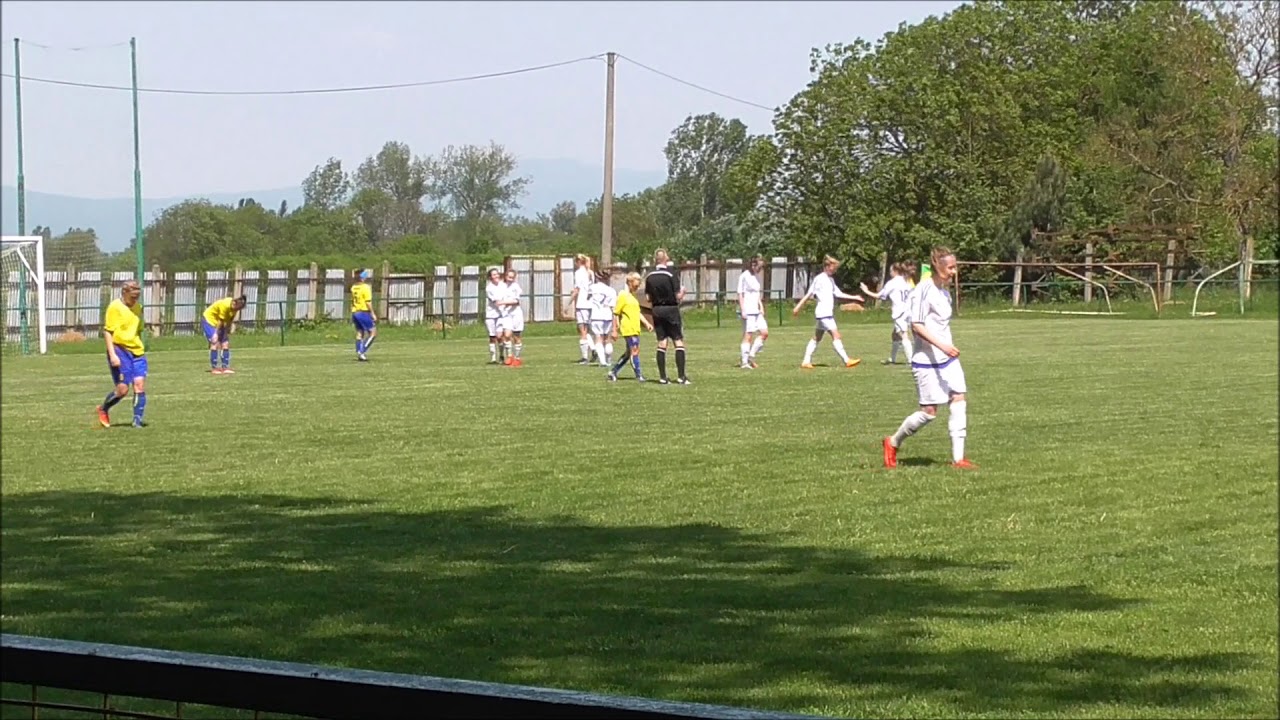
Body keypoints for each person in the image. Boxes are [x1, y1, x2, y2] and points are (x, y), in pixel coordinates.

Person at [883, 246, 975, 470]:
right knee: (929, 413)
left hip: (948, 359)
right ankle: (893, 442)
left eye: (955, 267)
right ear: (937, 266)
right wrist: (943, 345)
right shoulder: (923, 290)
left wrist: (947, 347)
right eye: (950, 267)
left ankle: (958, 459)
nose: (954, 272)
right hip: (926, 361)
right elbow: (916, 326)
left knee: (958, 399)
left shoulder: (945, 292)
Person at [791, 255, 864, 369]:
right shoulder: (819, 278)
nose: (835, 270)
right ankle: (847, 360)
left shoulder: (831, 280)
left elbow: (838, 293)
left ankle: (806, 361)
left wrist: (854, 297)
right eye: (833, 268)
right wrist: (798, 307)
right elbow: (809, 293)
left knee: (817, 337)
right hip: (823, 313)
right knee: (836, 335)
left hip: (826, 314)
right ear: (827, 267)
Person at [96, 280, 149, 429]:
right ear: (124, 293)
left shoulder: (138, 308)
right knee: (123, 390)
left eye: (137, 297)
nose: (135, 300)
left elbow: (138, 330)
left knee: (139, 385)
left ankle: (137, 421)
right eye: (132, 297)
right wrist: (112, 354)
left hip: (137, 351)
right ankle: (103, 409)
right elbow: (108, 332)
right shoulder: (115, 307)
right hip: (119, 350)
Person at [643, 249, 690, 385]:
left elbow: (648, 298)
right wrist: (683, 292)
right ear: (665, 259)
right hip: (671, 309)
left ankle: (663, 377)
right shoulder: (671, 274)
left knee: (662, 342)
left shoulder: (649, 276)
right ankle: (681, 376)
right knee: (678, 341)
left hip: (657, 310)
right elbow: (677, 295)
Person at [860, 261, 916, 365]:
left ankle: (911, 361)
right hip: (909, 311)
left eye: (890, 271)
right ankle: (892, 359)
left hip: (899, 312)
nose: (890, 273)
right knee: (895, 335)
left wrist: (866, 291)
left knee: (904, 335)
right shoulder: (908, 280)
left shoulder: (892, 283)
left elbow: (880, 296)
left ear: (895, 271)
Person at [607, 272, 653, 382]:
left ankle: (613, 372)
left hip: (635, 328)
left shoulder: (633, 297)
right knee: (634, 350)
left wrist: (646, 323)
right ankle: (639, 375)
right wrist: (614, 330)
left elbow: (638, 313)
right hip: (628, 328)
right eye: (636, 285)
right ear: (629, 282)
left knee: (629, 353)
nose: (637, 287)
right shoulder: (623, 295)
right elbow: (616, 313)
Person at [201, 294, 247, 374]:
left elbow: (229, 320)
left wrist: (226, 332)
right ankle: (214, 368)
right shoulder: (225, 305)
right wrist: (215, 333)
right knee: (214, 342)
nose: (237, 310)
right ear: (234, 303)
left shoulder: (235, 308)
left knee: (225, 343)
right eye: (237, 308)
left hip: (219, 323)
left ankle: (225, 367)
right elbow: (221, 320)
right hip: (209, 321)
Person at [737, 255, 769, 369]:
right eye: (759, 267)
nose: (760, 269)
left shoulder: (756, 277)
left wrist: (761, 306)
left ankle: (751, 355)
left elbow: (757, 293)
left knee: (764, 333)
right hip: (748, 310)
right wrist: (743, 310)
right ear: (753, 265)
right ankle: (744, 362)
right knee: (748, 335)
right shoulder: (744, 276)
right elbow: (740, 294)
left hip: (756, 310)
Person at [566, 254, 595, 364]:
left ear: (578, 262)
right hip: (590, 303)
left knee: (582, 330)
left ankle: (585, 357)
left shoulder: (579, 273)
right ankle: (594, 349)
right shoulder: (590, 272)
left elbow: (577, 289)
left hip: (582, 303)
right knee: (586, 330)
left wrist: (568, 303)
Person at [588, 270, 618, 367]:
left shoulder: (592, 288)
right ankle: (608, 360)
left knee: (598, 338)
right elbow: (613, 308)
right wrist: (615, 326)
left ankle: (602, 361)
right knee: (607, 339)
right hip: (607, 316)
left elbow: (587, 299)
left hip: (596, 316)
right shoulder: (611, 290)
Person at [499, 268, 526, 367]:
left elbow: (516, 301)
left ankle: (517, 358)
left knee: (516, 336)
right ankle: (509, 356)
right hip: (506, 314)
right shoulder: (502, 286)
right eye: (508, 277)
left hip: (516, 314)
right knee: (506, 335)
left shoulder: (516, 287)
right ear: (505, 276)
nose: (510, 279)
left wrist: (503, 302)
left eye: (512, 277)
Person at [351, 269, 377, 362]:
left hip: (355, 312)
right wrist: (372, 313)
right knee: (373, 333)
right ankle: (362, 352)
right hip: (363, 312)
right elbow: (368, 302)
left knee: (360, 332)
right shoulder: (365, 287)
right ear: (362, 278)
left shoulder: (353, 287)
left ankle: (359, 351)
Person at [484, 267, 506, 364]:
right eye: (494, 275)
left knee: (500, 336)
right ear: (490, 277)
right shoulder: (489, 288)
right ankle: (493, 358)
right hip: (491, 315)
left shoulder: (503, 285)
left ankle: (501, 355)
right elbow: (496, 301)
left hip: (501, 314)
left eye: (497, 274)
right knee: (492, 337)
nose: (496, 276)